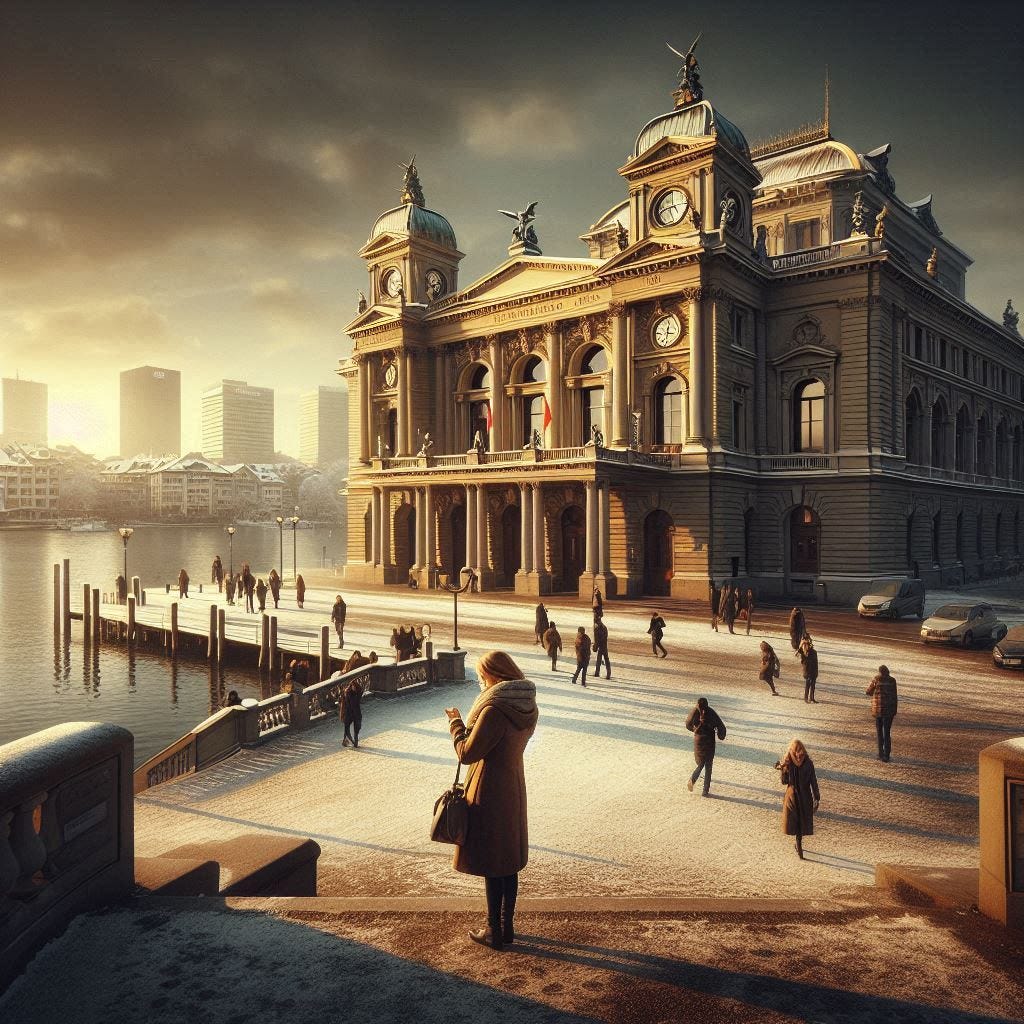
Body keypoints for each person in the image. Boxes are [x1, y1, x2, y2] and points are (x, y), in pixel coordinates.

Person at [444, 650, 539, 951]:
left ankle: (492, 930)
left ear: (496, 676)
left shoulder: (494, 710)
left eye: (483, 676)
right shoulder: (526, 705)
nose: (481, 683)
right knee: (507, 862)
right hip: (513, 785)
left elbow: (467, 753)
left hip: (489, 788)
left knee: (490, 861)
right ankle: (506, 926)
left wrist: (457, 724)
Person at [775, 738, 820, 859]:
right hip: (804, 797)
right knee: (800, 823)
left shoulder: (789, 763)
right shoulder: (808, 763)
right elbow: (813, 782)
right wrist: (817, 797)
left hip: (792, 797)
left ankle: (798, 845)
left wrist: (783, 770)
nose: (798, 756)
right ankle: (799, 846)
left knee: (797, 823)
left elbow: (784, 782)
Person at [685, 697, 727, 797]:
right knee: (708, 765)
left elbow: (688, 724)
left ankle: (693, 779)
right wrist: (721, 734)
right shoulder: (711, 712)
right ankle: (705, 790)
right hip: (709, 740)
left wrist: (695, 730)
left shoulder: (694, 711)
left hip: (699, 740)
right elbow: (721, 726)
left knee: (700, 763)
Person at [866, 664, 898, 762]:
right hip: (889, 711)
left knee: (879, 732)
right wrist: (894, 710)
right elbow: (895, 695)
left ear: (880, 671)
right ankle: (886, 755)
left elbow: (868, 692)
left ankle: (880, 753)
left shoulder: (876, 679)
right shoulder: (892, 680)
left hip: (878, 710)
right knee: (887, 732)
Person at [340, 676, 365, 748]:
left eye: (355, 687)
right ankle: (348, 741)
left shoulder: (357, 693)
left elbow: (360, 691)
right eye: (353, 687)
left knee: (357, 728)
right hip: (348, 712)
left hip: (356, 712)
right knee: (347, 727)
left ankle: (354, 741)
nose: (354, 688)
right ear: (351, 687)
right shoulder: (347, 693)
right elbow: (346, 704)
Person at [798, 634, 818, 703]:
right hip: (808, 671)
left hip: (814, 670)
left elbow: (815, 662)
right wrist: (803, 644)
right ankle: (806, 698)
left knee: (813, 685)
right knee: (808, 685)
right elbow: (800, 652)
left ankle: (812, 698)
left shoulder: (813, 652)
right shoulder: (803, 653)